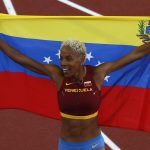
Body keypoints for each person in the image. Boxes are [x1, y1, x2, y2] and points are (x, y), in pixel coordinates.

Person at [0, 39, 150, 150]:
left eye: (69, 58)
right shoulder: (58, 76)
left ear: (82, 59)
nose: (63, 63)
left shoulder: (97, 74)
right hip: (67, 146)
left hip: (94, 145)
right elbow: (21, 59)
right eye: (61, 58)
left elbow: (136, 53)